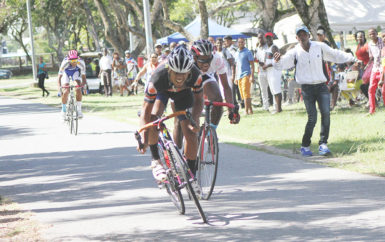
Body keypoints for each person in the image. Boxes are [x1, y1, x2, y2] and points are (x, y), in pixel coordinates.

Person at [273, 25, 355, 156]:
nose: (302, 37)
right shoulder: (294, 51)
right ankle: (305, 146)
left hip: (321, 86)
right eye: (299, 35)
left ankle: (323, 144)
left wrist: (351, 57)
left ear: (308, 35)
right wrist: (277, 61)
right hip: (307, 88)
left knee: (326, 114)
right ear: (296, 37)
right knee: (312, 118)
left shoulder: (319, 46)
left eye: (304, 34)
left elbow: (335, 54)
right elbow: (282, 64)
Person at [137, 45, 204, 180]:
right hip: (162, 92)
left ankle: (191, 176)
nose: (179, 78)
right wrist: (143, 137)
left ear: (189, 72)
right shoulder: (157, 78)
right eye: (176, 73)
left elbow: (198, 101)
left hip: (184, 94)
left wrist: (195, 119)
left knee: (191, 133)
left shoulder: (196, 76)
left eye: (183, 74)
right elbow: (145, 112)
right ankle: (156, 160)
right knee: (153, 119)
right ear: (169, 70)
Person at [57, 50, 86, 119]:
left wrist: (82, 86)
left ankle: (79, 110)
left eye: (75, 60)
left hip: (76, 73)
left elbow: (84, 78)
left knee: (78, 88)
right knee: (66, 91)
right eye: (72, 61)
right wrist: (59, 89)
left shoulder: (81, 62)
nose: (74, 63)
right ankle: (63, 110)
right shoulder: (65, 63)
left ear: (78, 58)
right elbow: (59, 78)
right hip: (66, 73)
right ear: (68, 59)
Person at [233, 37, 255, 115]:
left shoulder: (248, 52)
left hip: (246, 75)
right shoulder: (236, 53)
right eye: (239, 42)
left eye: (242, 42)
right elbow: (236, 66)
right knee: (243, 94)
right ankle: (250, 110)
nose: (240, 44)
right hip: (239, 76)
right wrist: (235, 77)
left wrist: (252, 76)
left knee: (246, 93)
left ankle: (246, 111)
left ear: (244, 43)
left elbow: (252, 65)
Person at [263, 32, 282, 113]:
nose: (268, 39)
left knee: (277, 90)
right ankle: (277, 108)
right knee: (273, 90)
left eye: (270, 38)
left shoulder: (274, 47)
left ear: (272, 38)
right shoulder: (268, 48)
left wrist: (267, 65)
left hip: (274, 71)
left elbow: (277, 59)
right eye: (267, 38)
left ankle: (279, 109)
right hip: (269, 71)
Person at [367, 28, 385, 114]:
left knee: (383, 91)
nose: (372, 35)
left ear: (377, 34)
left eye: (373, 33)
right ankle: (372, 110)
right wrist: (366, 65)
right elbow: (371, 57)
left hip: (383, 68)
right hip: (375, 68)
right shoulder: (370, 44)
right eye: (370, 34)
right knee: (371, 89)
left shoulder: (382, 42)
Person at [224, 35, 242, 107]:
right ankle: (234, 102)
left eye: (226, 41)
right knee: (233, 88)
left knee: (237, 88)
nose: (225, 42)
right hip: (229, 71)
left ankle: (241, 102)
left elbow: (235, 61)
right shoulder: (225, 50)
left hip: (236, 70)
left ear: (230, 41)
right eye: (225, 41)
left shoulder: (234, 49)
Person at [255, 32, 270, 111]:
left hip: (269, 70)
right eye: (259, 38)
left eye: (261, 37)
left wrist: (265, 63)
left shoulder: (268, 47)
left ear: (265, 38)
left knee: (272, 89)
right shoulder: (257, 49)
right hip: (260, 71)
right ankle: (266, 106)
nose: (260, 39)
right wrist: (258, 62)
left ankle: (276, 105)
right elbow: (255, 59)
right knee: (263, 90)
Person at [355, 31, 371, 101]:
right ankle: (370, 100)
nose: (359, 38)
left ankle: (372, 100)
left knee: (367, 85)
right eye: (358, 37)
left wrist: (367, 65)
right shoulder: (358, 46)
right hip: (361, 68)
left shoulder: (366, 45)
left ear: (364, 37)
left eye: (361, 36)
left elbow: (371, 57)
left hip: (368, 67)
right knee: (364, 85)